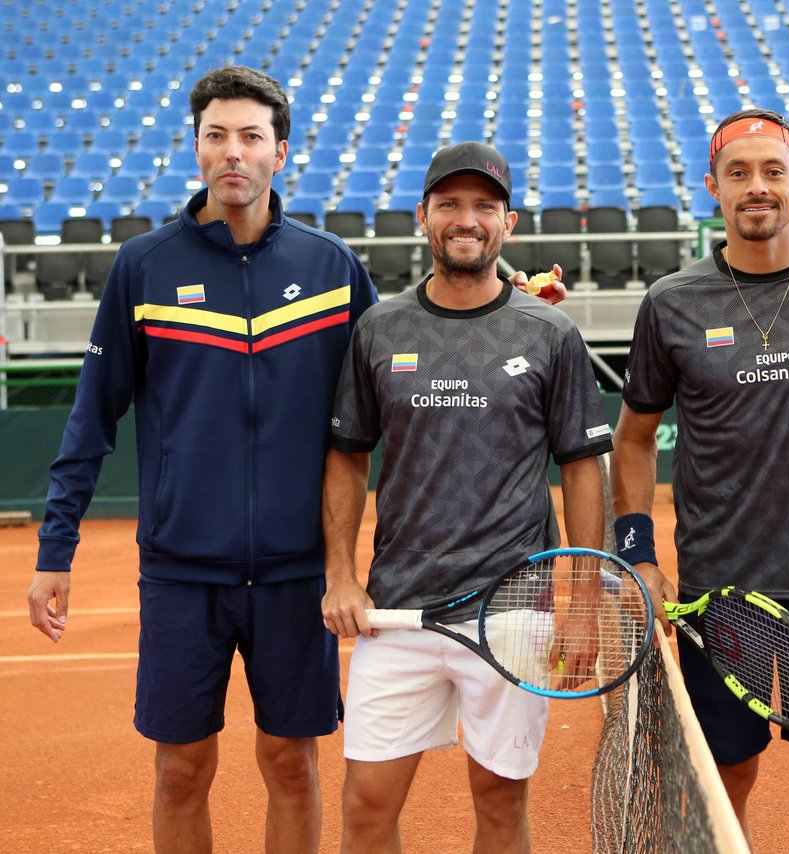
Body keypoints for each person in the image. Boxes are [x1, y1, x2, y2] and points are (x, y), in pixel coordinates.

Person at [24, 66, 377, 851]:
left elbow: (403, 380)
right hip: (182, 572)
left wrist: (512, 300)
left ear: (279, 152)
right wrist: (56, 549)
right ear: (196, 148)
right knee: (181, 769)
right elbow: (92, 416)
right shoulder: (143, 267)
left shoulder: (331, 270)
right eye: (216, 135)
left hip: (295, 575)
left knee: (291, 763)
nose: (233, 153)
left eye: (251, 136)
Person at [319, 140, 611, 853]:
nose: (466, 219)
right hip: (396, 610)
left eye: (484, 205)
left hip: (512, 611)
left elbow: (581, 467)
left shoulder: (549, 331)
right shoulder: (379, 329)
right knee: (366, 808)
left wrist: (584, 601)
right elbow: (347, 457)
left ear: (507, 223)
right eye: (450, 203)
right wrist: (340, 575)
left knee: (501, 805)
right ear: (424, 216)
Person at [610, 109, 789, 852]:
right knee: (725, 778)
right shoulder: (671, 301)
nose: (757, 187)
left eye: (772, 171)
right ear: (713, 188)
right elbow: (634, 438)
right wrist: (637, 553)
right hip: (714, 589)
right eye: (739, 174)